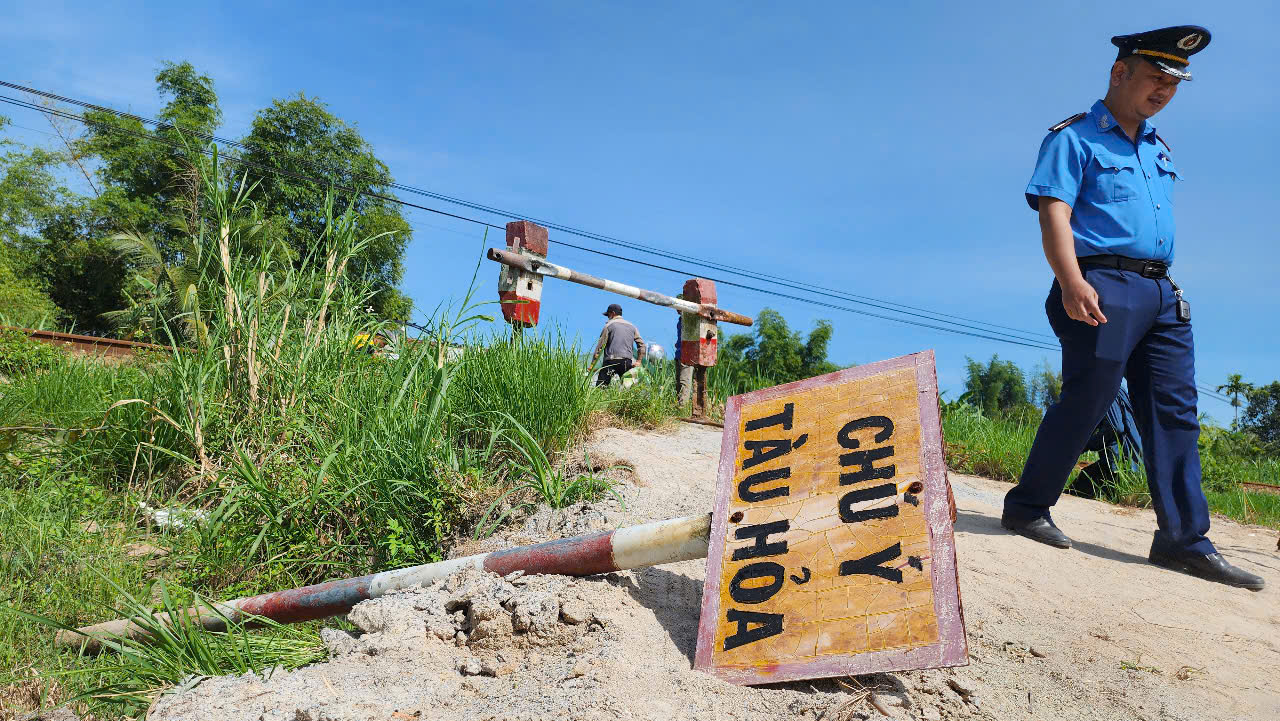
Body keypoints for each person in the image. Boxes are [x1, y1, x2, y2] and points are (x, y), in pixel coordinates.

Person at [1001, 25, 1264, 590]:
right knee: (1090, 399)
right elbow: (1054, 213)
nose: (1164, 91)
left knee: (1175, 412)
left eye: (1174, 83)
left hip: (1162, 291)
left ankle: (1183, 540)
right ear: (1120, 72)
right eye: (1155, 77)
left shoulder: (1155, 147)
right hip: (1100, 283)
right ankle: (1027, 507)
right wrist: (1071, 281)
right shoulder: (1073, 138)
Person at [590, 303, 646, 387]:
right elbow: (641, 344)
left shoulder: (609, 325)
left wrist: (592, 364)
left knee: (601, 387)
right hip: (626, 362)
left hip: (610, 361)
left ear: (613, 313)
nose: (608, 317)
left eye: (608, 315)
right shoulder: (632, 326)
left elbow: (600, 347)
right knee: (627, 388)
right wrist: (638, 361)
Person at [674, 299, 693, 405]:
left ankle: (682, 406)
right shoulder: (680, 320)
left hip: (687, 354)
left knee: (684, 381)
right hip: (679, 354)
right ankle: (678, 406)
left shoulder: (689, 319)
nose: (677, 309)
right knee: (678, 383)